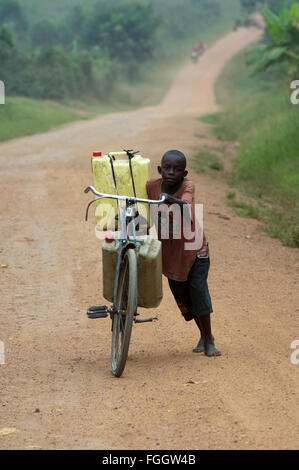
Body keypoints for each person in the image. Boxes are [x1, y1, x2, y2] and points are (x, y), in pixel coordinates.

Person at [146, 150, 221, 356]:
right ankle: (203, 335)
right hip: (171, 254)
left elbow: (186, 206)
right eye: (167, 168)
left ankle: (209, 339)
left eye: (177, 169)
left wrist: (168, 198)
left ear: (184, 173)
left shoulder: (188, 186)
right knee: (183, 299)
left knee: (198, 291)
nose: (171, 172)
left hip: (195, 250)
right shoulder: (151, 186)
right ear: (160, 169)